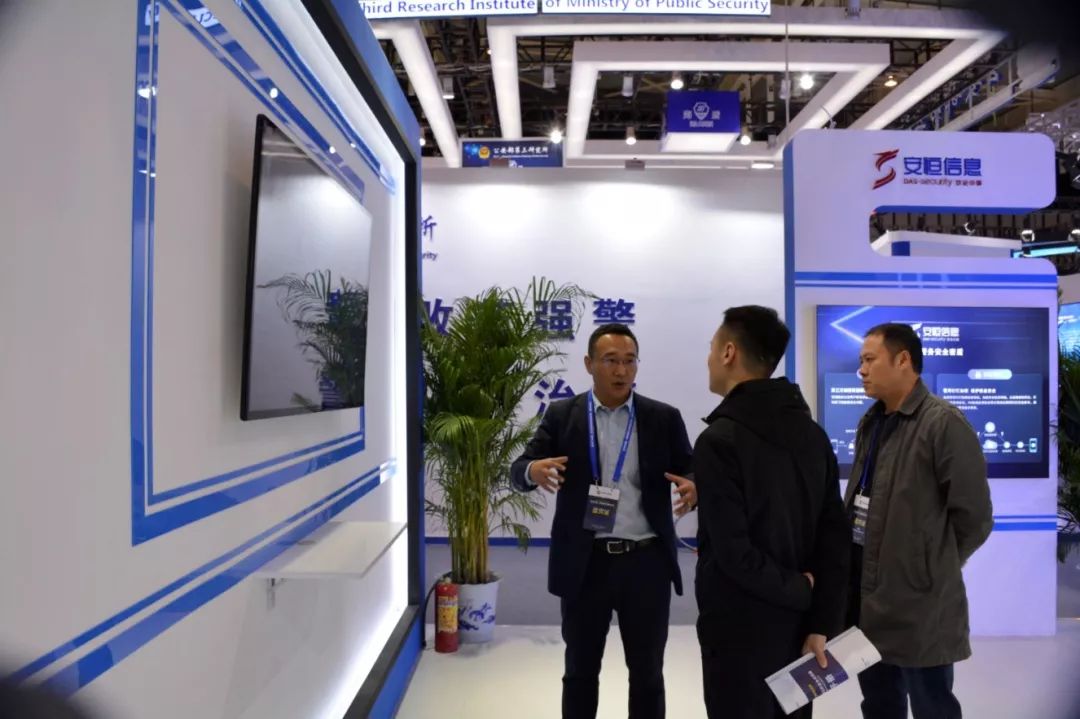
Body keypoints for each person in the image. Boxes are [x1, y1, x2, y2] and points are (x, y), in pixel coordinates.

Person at [511, 323, 696, 719]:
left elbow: (691, 468)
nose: (621, 371)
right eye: (611, 361)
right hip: (586, 564)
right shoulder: (563, 415)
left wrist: (694, 486)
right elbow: (520, 468)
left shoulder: (662, 417)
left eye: (629, 361)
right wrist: (532, 471)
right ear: (589, 364)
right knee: (580, 672)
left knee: (648, 675)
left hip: (645, 563)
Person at [692, 305, 850, 719]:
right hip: (800, 631)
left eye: (711, 348)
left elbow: (734, 553)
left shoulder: (718, 441)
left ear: (729, 352)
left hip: (737, 633)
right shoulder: (814, 437)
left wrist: (800, 589)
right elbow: (834, 537)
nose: (708, 359)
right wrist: (821, 620)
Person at [847, 323, 993, 719]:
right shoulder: (871, 422)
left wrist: (930, 563)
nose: (861, 370)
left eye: (870, 359)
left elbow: (975, 516)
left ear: (903, 360)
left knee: (932, 705)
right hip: (867, 597)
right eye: (861, 360)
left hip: (921, 604)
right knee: (879, 703)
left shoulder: (943, 423)